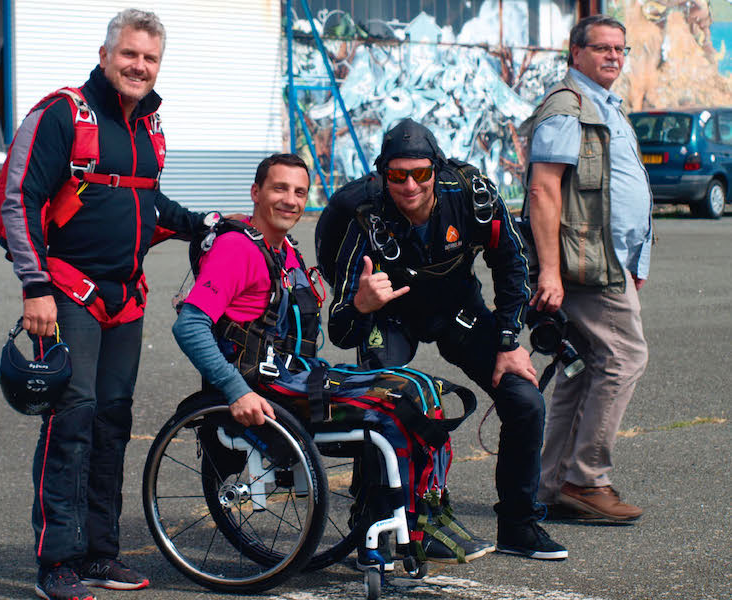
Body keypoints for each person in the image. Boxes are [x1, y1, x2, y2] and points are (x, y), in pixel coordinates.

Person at [172, 153, 494, 571]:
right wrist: (236, 392)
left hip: (296, 374)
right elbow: (190, 326)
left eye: (299, 192)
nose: (290, 200)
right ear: (256, 192)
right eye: (279, 189)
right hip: (266, 387)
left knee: (419, 386)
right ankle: (404, 531)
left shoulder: (282, 250)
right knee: (395, 404)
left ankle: (416, 520)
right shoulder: (238, 250)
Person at [0, 9, 207, 600]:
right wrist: (34, 284)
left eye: (150, 58)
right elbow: (19, 199)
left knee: (113, 423)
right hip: (66, 294)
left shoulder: (149, 125)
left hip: (125, 299)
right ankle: (56, 563)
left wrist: (210, 227)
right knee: (73, 420)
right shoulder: (63, 114)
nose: (139, 66)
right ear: (105, 53)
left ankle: (99, 553)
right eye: (129, 54)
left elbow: (149, 203)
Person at [323, 118, 568, 560]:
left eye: (421, 173)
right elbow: (338, 330)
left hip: (457, 310)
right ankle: (374, 527)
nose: (410, 185)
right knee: (383, 408)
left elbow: (512, 264)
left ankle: (518, 525)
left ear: (437, 170)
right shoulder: (364, 220)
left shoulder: (472, 196)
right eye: (397, 175)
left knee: (525, 401)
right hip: (390, 316)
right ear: (383, 175)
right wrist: (361, 304)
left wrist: (510, 340)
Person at [524, 14, 650, 522]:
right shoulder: (567, 107)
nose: (613, 56)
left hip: (608, 261)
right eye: (601, 48)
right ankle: (586, 478)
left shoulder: (606, 106)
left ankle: (550, 484)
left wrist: (636, 255)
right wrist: (550, 272)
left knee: (581, 370)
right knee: (625, 357)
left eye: (620, 49)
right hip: (584, 266)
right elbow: (543, 188)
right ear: (574, 53)